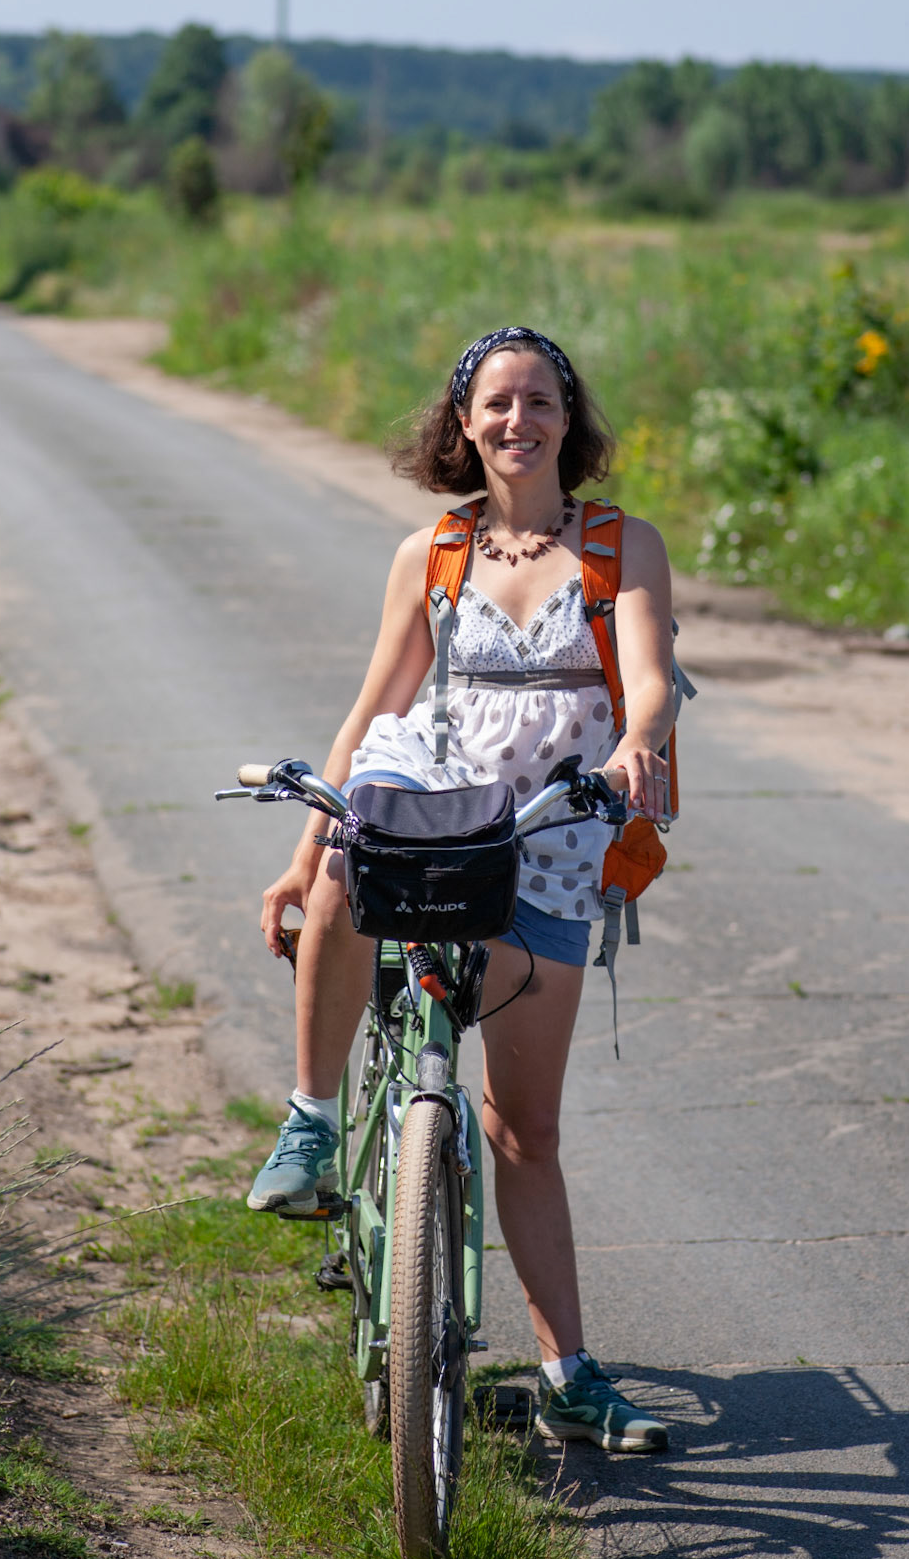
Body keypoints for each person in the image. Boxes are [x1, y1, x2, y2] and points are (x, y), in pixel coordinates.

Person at [247, 326, 677, 1453]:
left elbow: (647, 680)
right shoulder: (432, 551)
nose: (517, 420)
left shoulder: (621, 544)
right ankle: (310, 1122)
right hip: (441, 816)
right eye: (497, 402)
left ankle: (567, 1376)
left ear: (569, 420)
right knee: (342, 867)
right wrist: (301, 847)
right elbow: (374, 706)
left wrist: (636, 742)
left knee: (524, 1128)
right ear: (464, 422)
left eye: (540, 400)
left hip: (553, 837)